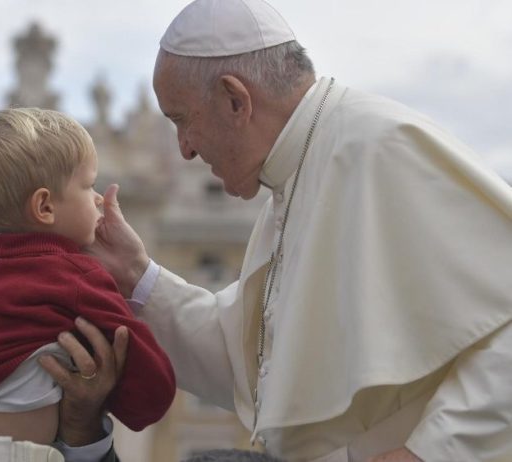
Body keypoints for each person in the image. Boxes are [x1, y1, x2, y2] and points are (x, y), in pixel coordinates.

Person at [50, 0, 512, 460]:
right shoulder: (287, 185)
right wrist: (137, 273)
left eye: (182, 120)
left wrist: (430, 452)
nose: (184, 149)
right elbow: (248, 366)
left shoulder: (379, 146)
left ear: (236, 100)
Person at [0, 108, 176, 460]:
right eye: (88, 186)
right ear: (44, 206)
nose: (100, 198)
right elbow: (151, 392)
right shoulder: (77, 277)